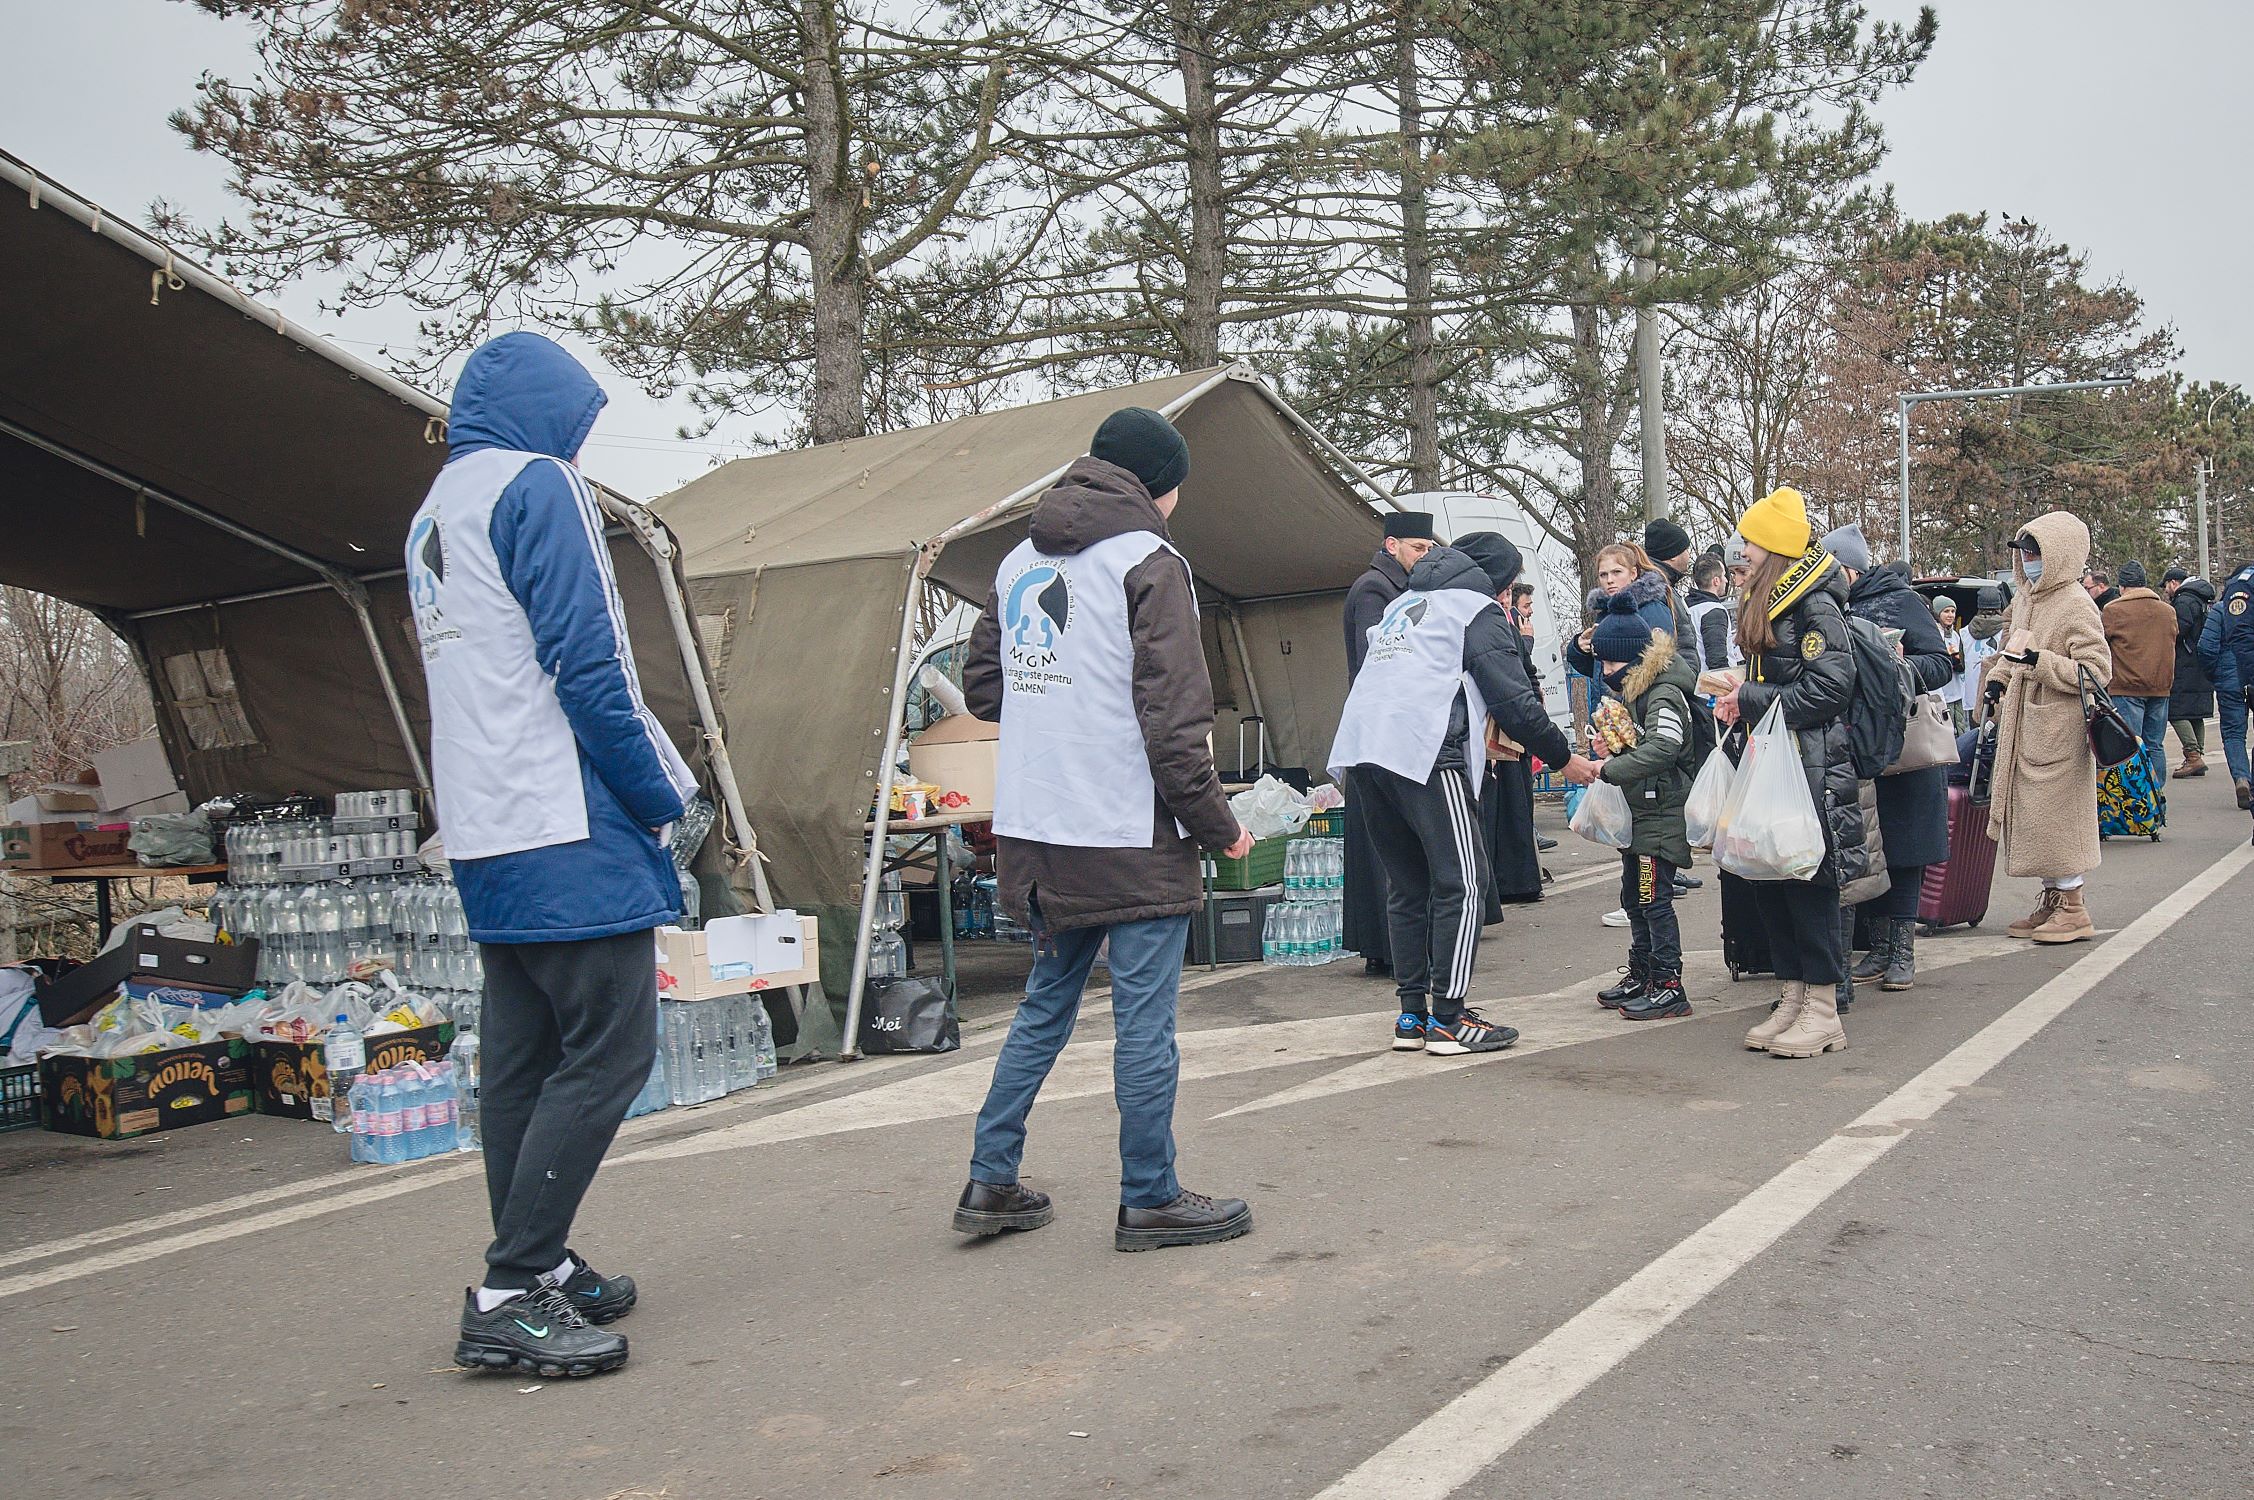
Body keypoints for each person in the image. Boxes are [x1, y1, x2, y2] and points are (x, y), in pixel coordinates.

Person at [407, 332, 701, 1378]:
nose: (581, 441)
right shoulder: (540, 487)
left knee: (524, 1062)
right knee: (613, 1052)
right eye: (578, 422)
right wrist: (662, 793)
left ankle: (538, 1264)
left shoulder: (436, 508)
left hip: (486, 823)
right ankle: (510, 1286)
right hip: (564, 816)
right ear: (552, 416)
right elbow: (592, 662)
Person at [954, 406, 1256, 1253]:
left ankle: (992, 1179)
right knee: (1145, 1022)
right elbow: (1174, 720)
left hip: (1037, 827)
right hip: (1125, 828)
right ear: (1160, 487)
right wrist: (1217, 823)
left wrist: (1060, 707)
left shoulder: (1018, 561)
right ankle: (1151, 1196)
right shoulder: (1150, 562)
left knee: (1044, 1006)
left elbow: (984, 688)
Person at [1330, 544, 1595, 1056]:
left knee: (1407, 886)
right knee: (1464, 880)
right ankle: (1449, 1018)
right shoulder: (1478, 610)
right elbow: (1515, 700)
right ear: (1499, 584)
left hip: (1362, 749)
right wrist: (1565, 760)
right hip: (1426, 749)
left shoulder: (1402, 605)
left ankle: (1411, 1016)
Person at [1713, 488, 1865, 1059]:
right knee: (1770, 880)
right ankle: (1793, 994)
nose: (1742, 550)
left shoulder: (1813, 605)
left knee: (1808, 886)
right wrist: (1742, 696)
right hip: (1777, 761)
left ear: (1773, 547)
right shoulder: (1775, 599)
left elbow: (1830, 687)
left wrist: (1749, 695)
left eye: (1751, 540)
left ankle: (1823, 1008)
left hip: (1809, 767)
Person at [1826, 525, 1954, 994]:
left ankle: (1902, 948)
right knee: (1867, 846)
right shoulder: (1829, 607)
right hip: (1856, 747)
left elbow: (1939, 663)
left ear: (1850, 568)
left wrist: (1892, 668)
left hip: (1905, 745)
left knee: (1905, 846)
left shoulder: (1900, 601)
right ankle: (1877, 945)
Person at [1986, 513, 2112, 943]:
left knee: (2058, 819)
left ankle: (2074, 905)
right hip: (2024, 723)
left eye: (2036, 552)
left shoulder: (2077, 603)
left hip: (2058, 725)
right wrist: (1998, 679)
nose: (2028, 559)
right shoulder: (2026, 597)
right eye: (2024, 551)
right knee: (2033, 819)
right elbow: (2013, 646)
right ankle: (2053, 898)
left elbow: (2096, 671)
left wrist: (2042, 663)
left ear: (2059, 555)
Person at [1571, 599, 1698, 1020]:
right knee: (1634, 895)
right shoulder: (1640, 691)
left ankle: (1667, 982)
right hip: (1643, 810)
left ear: (1632, 659)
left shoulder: (1663, 693)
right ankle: (1643, 972)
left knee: (1651, 897)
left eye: (1610, 663)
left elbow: (1664, 747)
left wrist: (1610, 768)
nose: (1605, 672)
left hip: (1660, 813)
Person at [1342, 511, 1437, 977]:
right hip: (1379, 732)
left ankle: (1392, 945)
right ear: (1393, 544)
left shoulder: (1395, 588)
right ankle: (1385, 945)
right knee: (1388, 852)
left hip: (1385, 729)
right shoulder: (1374, 589)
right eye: (1418, 547)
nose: (1425, 555)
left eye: (1429, 549)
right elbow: (1375, 661)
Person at [1455, 533, 1548, 910]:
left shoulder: (1492, 618)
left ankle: (1513, 877)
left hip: (1502, 726)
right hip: (1497, 726)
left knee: (1510, 807)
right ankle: (1510, 879)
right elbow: (1508, 674)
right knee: (1501, 810)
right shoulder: (1489, 621)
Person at [2100, 561, 2177, 790]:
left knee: (2130, 746)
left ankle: (2134, 799)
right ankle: (2156, 796)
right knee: (2155, 744)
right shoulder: (2167, 611)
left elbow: (2102, 645)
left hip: (2127, 687)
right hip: (2161, 687)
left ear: (2122, 586)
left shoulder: (2113, 610)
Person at [2205, 559, 2254, 838]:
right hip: (2245, 675)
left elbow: (2207, 647)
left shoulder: (2222, 610)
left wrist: (2215, 675)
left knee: (2234, 733)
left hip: (2229, 678)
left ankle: (2241, 778)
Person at [2164, 567, 2216, 778]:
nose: (2166, 590)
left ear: (2174, 583)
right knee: (2195, 712)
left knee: (2176, 710)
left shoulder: (2184, 601)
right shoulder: (2201, 599)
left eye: (2166, 585)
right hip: (2200, 662)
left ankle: (2193, 756)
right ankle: (2196, 755)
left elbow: (2177, 631)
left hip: (2184, 665)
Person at [1685, 553, 1738, 677]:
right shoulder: (1714, 610)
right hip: (1711, 691)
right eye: (1724, 575)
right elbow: (1717, 661)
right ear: (1716, 581)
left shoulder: (1688, 608)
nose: (1726, 580)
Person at [1933, 595, 1974, 732]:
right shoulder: (1934, 634)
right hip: (1943, 693)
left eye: (1952, 611)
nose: (1950, 615)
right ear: (1937, 613)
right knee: (1947, 732)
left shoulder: (1956, 635)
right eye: (1946, 611)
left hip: (1958, 692)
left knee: (1962, 731)